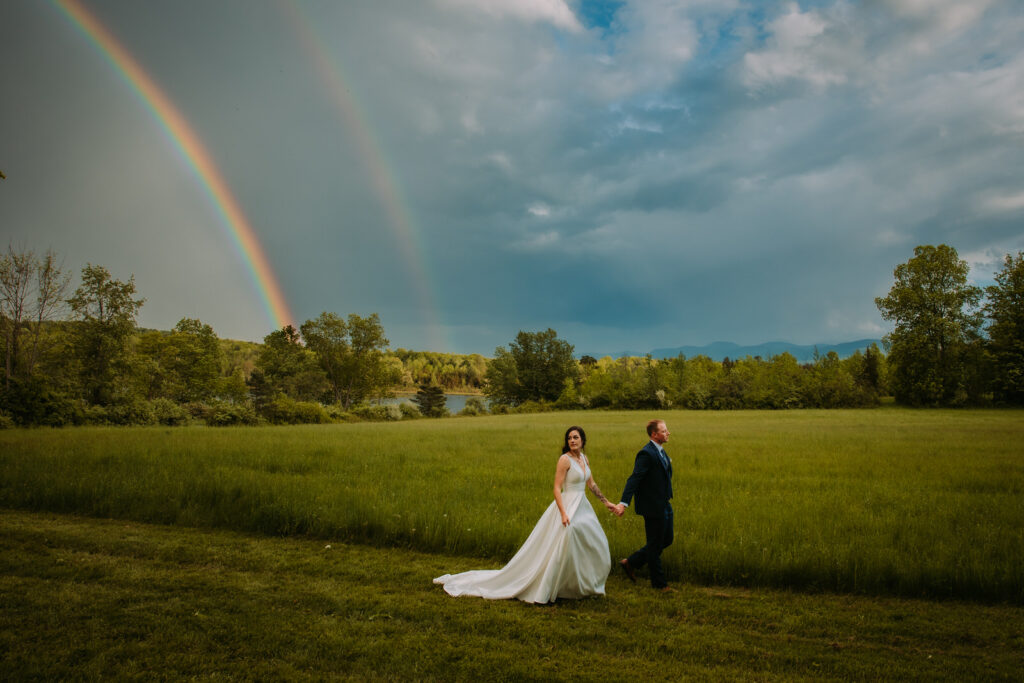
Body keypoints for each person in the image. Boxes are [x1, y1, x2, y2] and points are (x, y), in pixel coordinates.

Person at [433, 426, 617, 603]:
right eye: (569, 438)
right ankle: (551, 585)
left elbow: (591, 484)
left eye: (575, 437)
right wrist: (563, 513)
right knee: (567, 539)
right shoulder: (565, 460)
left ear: (583, 440)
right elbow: (556, 488)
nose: (572, 441)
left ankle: (580, 584)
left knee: (595, 540)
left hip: (582, 506)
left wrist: (606, 502)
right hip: (567, 505)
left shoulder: (585, 459)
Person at [614, 419, 675, 593]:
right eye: (664, 431)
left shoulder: (661, 452)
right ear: (654, 434)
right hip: (652, 506)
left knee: (667, 540)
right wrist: (624, 503)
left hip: (664, 503)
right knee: (655, 545)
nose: (668, 433)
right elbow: (635, 478)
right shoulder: (646, 453)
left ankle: (631, 562)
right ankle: (660, 584)